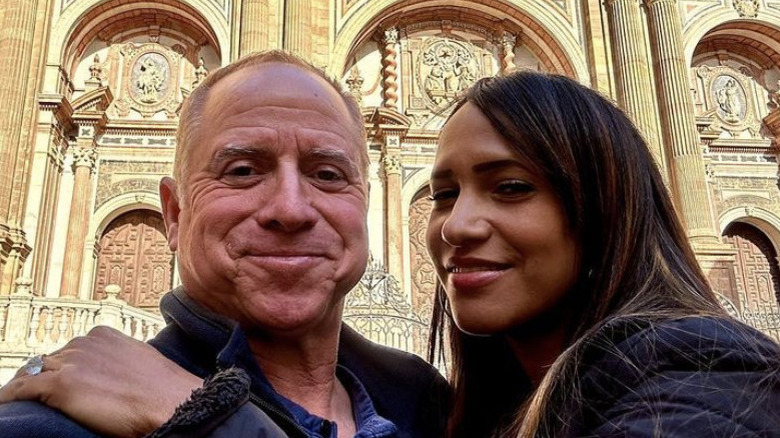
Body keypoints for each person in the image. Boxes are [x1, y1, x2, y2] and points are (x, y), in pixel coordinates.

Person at [0, 50, 448, 438]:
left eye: (327, 175)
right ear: (174, 214)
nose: (291, 209)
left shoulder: (428, 407)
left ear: (363, 205)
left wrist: (209, 417)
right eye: (242, 170)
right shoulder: (54, 424)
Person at [425, 71, 780, 437]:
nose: (455, 226)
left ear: (604, 209)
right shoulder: (487, 403)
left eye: (511, 187)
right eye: (444, 195)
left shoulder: (703, 373)